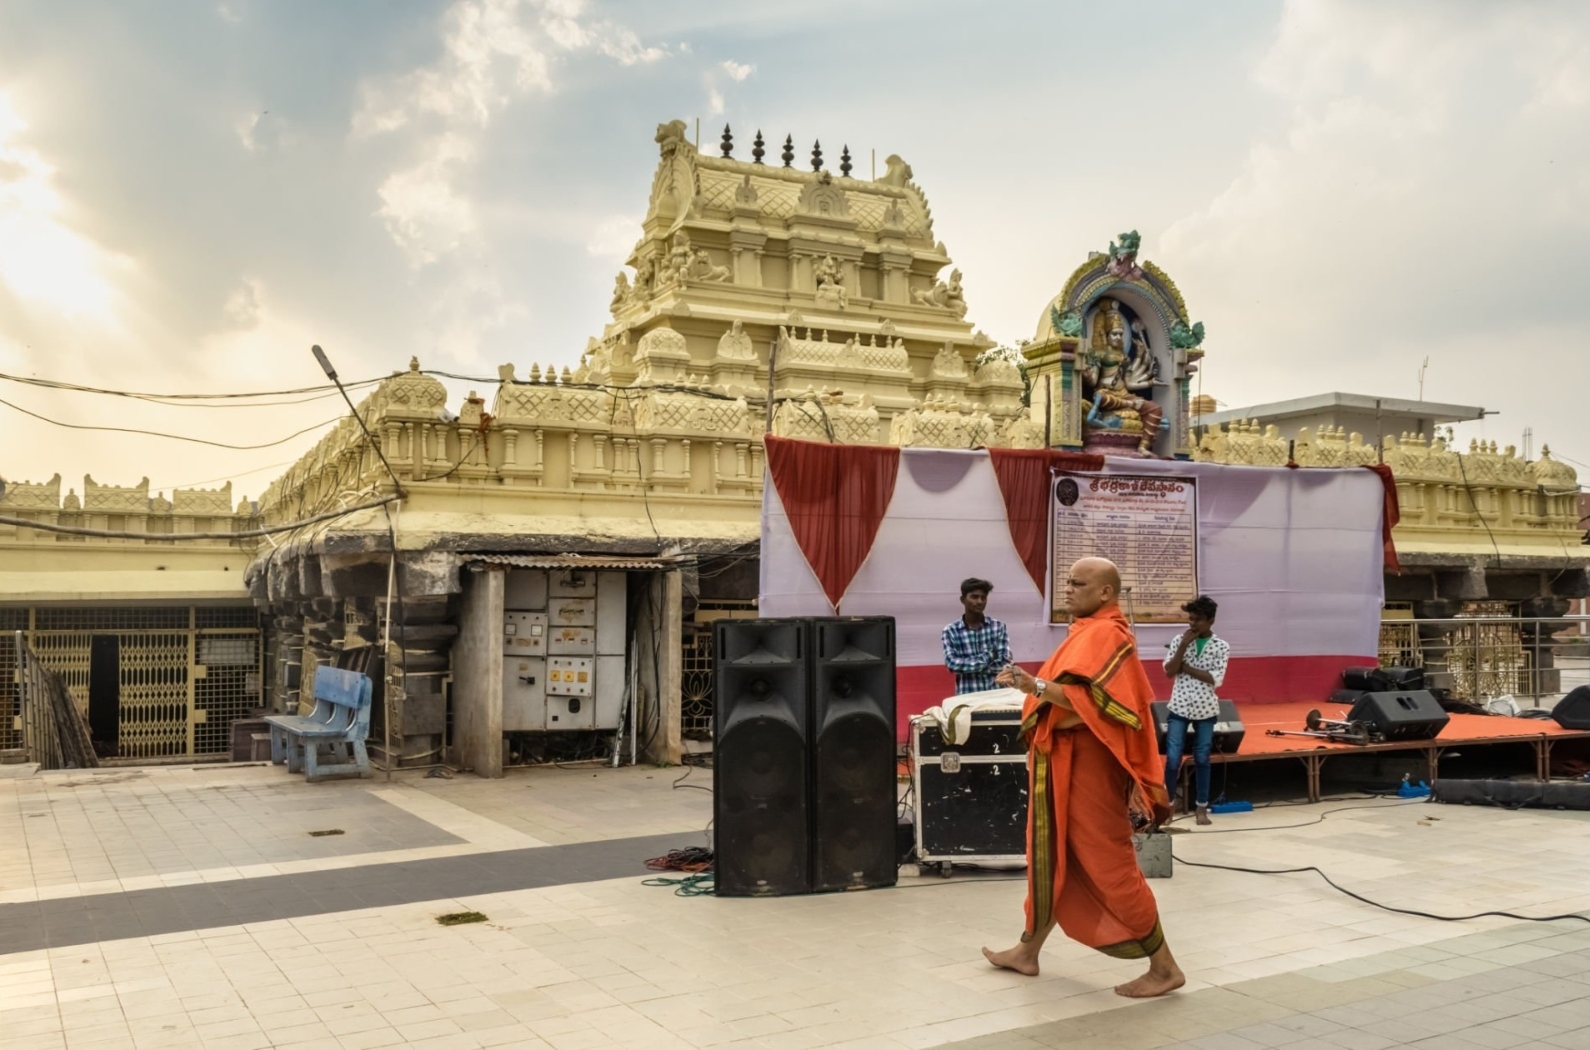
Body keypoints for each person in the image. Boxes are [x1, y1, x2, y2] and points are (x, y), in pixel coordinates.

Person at [983, 557, 1185, 998]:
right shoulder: (1086, 633)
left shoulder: (1109, 636)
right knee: (1057, 858)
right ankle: (1027, 951)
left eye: (1078, 583)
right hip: (1063, 764)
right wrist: (1032, 686)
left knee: (1110, 866)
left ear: (1106, 593)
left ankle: (1164, 966)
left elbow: (1089, 707)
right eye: (1067, 582)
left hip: (1090, 769)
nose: (1068, 589)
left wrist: (1033, 686)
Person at [1162, 595, 1230, 826]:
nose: (1192, 624)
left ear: (1211, 620)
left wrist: (1186, 667)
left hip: (1206, 709)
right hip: (1179, 705)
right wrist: (1182, 646)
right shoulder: (1179, 640)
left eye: (1198, 620)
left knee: (1202, 758)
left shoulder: (1221, 646)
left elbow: (1214, 679)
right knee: (1172, 759)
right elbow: (1170, 671)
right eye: (1190, 619)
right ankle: (1169, 804)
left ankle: (1202, 807)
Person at [941, 577, 1013, 695]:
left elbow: (1005, 663)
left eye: (983, 598)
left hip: (997, 695)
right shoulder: (951, 630)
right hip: (967, 697)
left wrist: (966, 666)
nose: (979, 601)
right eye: (974, 597)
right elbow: (952, 664)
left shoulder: (998, 627)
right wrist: (989, 655)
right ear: (962, 599)